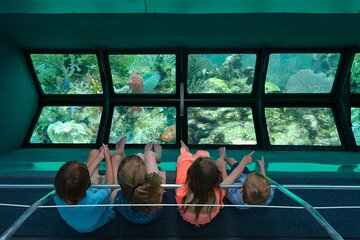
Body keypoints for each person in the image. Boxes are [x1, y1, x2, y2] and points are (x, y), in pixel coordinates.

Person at [54, 143, 122, 233]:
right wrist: (107, 158)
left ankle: (112, 152)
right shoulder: (96, 199)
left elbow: (80, 180)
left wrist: (99, 158)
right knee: (116, 158)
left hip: (80, 226)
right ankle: (117, 152)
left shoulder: (58, 195)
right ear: (87, 185)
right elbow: (109, 184)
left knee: (94, 153)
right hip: (98, 219)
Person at [111, 141, 166, 224]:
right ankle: (154, 156)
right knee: (149, 154)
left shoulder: (115, 195)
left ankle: (143, 155)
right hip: (153, 215)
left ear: (120, 181)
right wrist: (162, 180)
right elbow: (161, 190)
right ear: (146, 174)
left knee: (139, 156)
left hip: (131, 218)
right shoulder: (156, 193)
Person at [175, 141, 225, 226]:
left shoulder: (182, 192)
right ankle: (189, 153)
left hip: (187, 217)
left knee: (183, 159)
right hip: (206, 220)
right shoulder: (218, 194)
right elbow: (228, 181)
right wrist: (222, 158)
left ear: (190, 175)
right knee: (204, 154)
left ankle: (186, 151)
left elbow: (179, 195)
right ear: (216, 180)